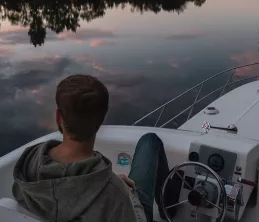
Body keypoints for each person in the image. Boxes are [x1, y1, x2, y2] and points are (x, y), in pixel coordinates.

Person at [12, 75, 172, 222]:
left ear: (58, 117)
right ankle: (169, 210)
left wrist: (111, 181)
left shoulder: (28, 164)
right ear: (102, 120)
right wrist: (124, 191)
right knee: (150, 141)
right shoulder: (116, 194)